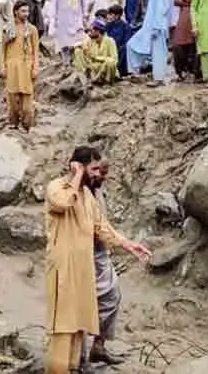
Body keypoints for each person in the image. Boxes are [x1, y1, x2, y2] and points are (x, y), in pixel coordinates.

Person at [43, 146, 150, 374]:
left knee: (78, 323)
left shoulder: (88, 196)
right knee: (63, 327)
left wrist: (128, 244)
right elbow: (62, 203)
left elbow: (102, 227)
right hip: (63, 270)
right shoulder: (56, 187)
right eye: (92, 169)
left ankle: (75, 367)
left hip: (83, 270)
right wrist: (78, 175)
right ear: (77, 166)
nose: (96, 174)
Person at [81, 160, 125, 369]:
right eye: (98, 172)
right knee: (81, 305)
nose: (102, 176)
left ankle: (98, 346)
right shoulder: (76, 192)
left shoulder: (98, 191)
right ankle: (77, 359)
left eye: (105, 173)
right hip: (81, 255)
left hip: (100, 252)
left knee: (112, 296)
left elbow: (102, 224)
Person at [124, 0, 171, 86]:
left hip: (157, 28)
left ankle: (159, 79)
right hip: (148, 27)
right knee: (132, 45)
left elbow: (161, 10)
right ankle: (135, 73)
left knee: (158, 52)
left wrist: (156, 28)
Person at [0, 2, 41, 130]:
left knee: (27, 97)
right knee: (11, 97)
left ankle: (27, 124)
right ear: (16, 12)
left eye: (27, 11)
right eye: (23, 11)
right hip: (11, 66)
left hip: (27, 66)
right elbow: (2, 50)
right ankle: (13, 122)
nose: (26, 14)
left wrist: (35, 68)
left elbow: (35, 51)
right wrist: (2, 66)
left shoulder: (32, 29)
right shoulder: (8, 29)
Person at [51, 0, 88, 64]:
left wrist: (85, 17)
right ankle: (65, 64)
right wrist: (55, 19)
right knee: (64, 44)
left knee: (76, 43)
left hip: (76, 19)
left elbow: (83, 3)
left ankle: (76, 63)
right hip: (62, 20)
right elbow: (55, 4)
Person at [170, 0, 199, 81]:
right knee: (178, 45)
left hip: (196, 17)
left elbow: (200, 1)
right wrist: (185, 0)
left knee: (194, 46)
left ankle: (194, 72)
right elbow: (175, 0)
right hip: (183, 17)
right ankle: (180, 72)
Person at [72, 20, 119, 84]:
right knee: (78, 51)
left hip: (105, 67)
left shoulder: (110, 41)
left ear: (98, 31)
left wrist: (97, 58)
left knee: (110, 62)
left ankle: (104, 81)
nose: (89, 33)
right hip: (93, 67)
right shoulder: (90, 40)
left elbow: (114, 60)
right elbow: (79, 46)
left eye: (91, 31)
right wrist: (83, 48)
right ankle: (85, 76)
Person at [102, 5, 131, 79]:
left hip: (119, 49)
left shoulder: (125, 27)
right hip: (109, 49)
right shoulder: (108, 25)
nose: (108, 16)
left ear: (117, 16)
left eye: (111, 14)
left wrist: (117, 49)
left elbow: (126, 42)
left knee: (124, 49)